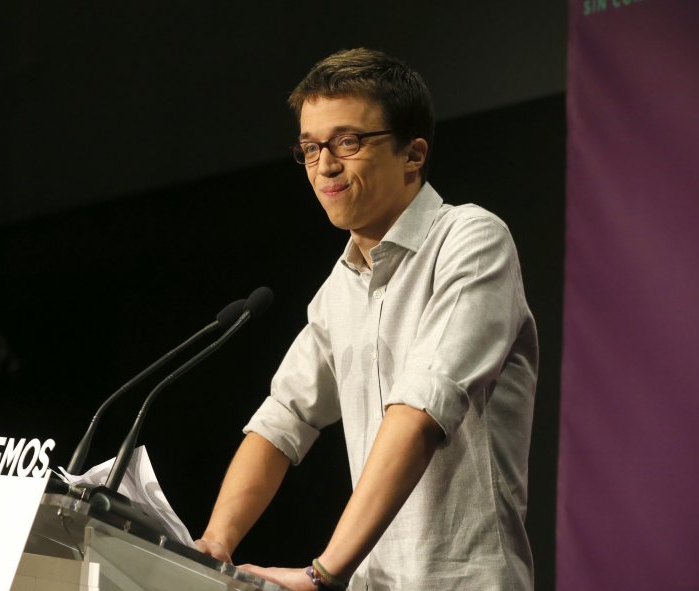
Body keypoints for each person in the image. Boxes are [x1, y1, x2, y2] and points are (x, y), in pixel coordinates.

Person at [194, 48, 538, 590]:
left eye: (347, 141)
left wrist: (324, 572)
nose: (324, 164)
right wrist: (214, 547)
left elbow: (419, 411)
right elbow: (283, 419)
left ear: (413, 154)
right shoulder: (341, 287)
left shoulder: (470, 240)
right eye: (310, 147)